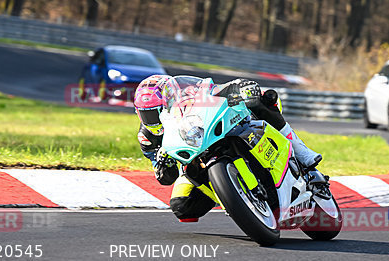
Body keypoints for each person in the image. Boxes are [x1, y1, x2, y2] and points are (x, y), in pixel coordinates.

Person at [133, 74, 325, 222]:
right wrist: (163, 164)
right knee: (182, 207)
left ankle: (302, 152)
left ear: (168, 101)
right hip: (194, 162)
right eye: (145, 114)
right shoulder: (147, 138)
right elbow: (167, 179)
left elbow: (216, 89)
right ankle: (231, 197)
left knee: (261, 100)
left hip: (222, 129)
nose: (151, 119)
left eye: (154, 112)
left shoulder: (189, 93)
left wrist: (240, 85)